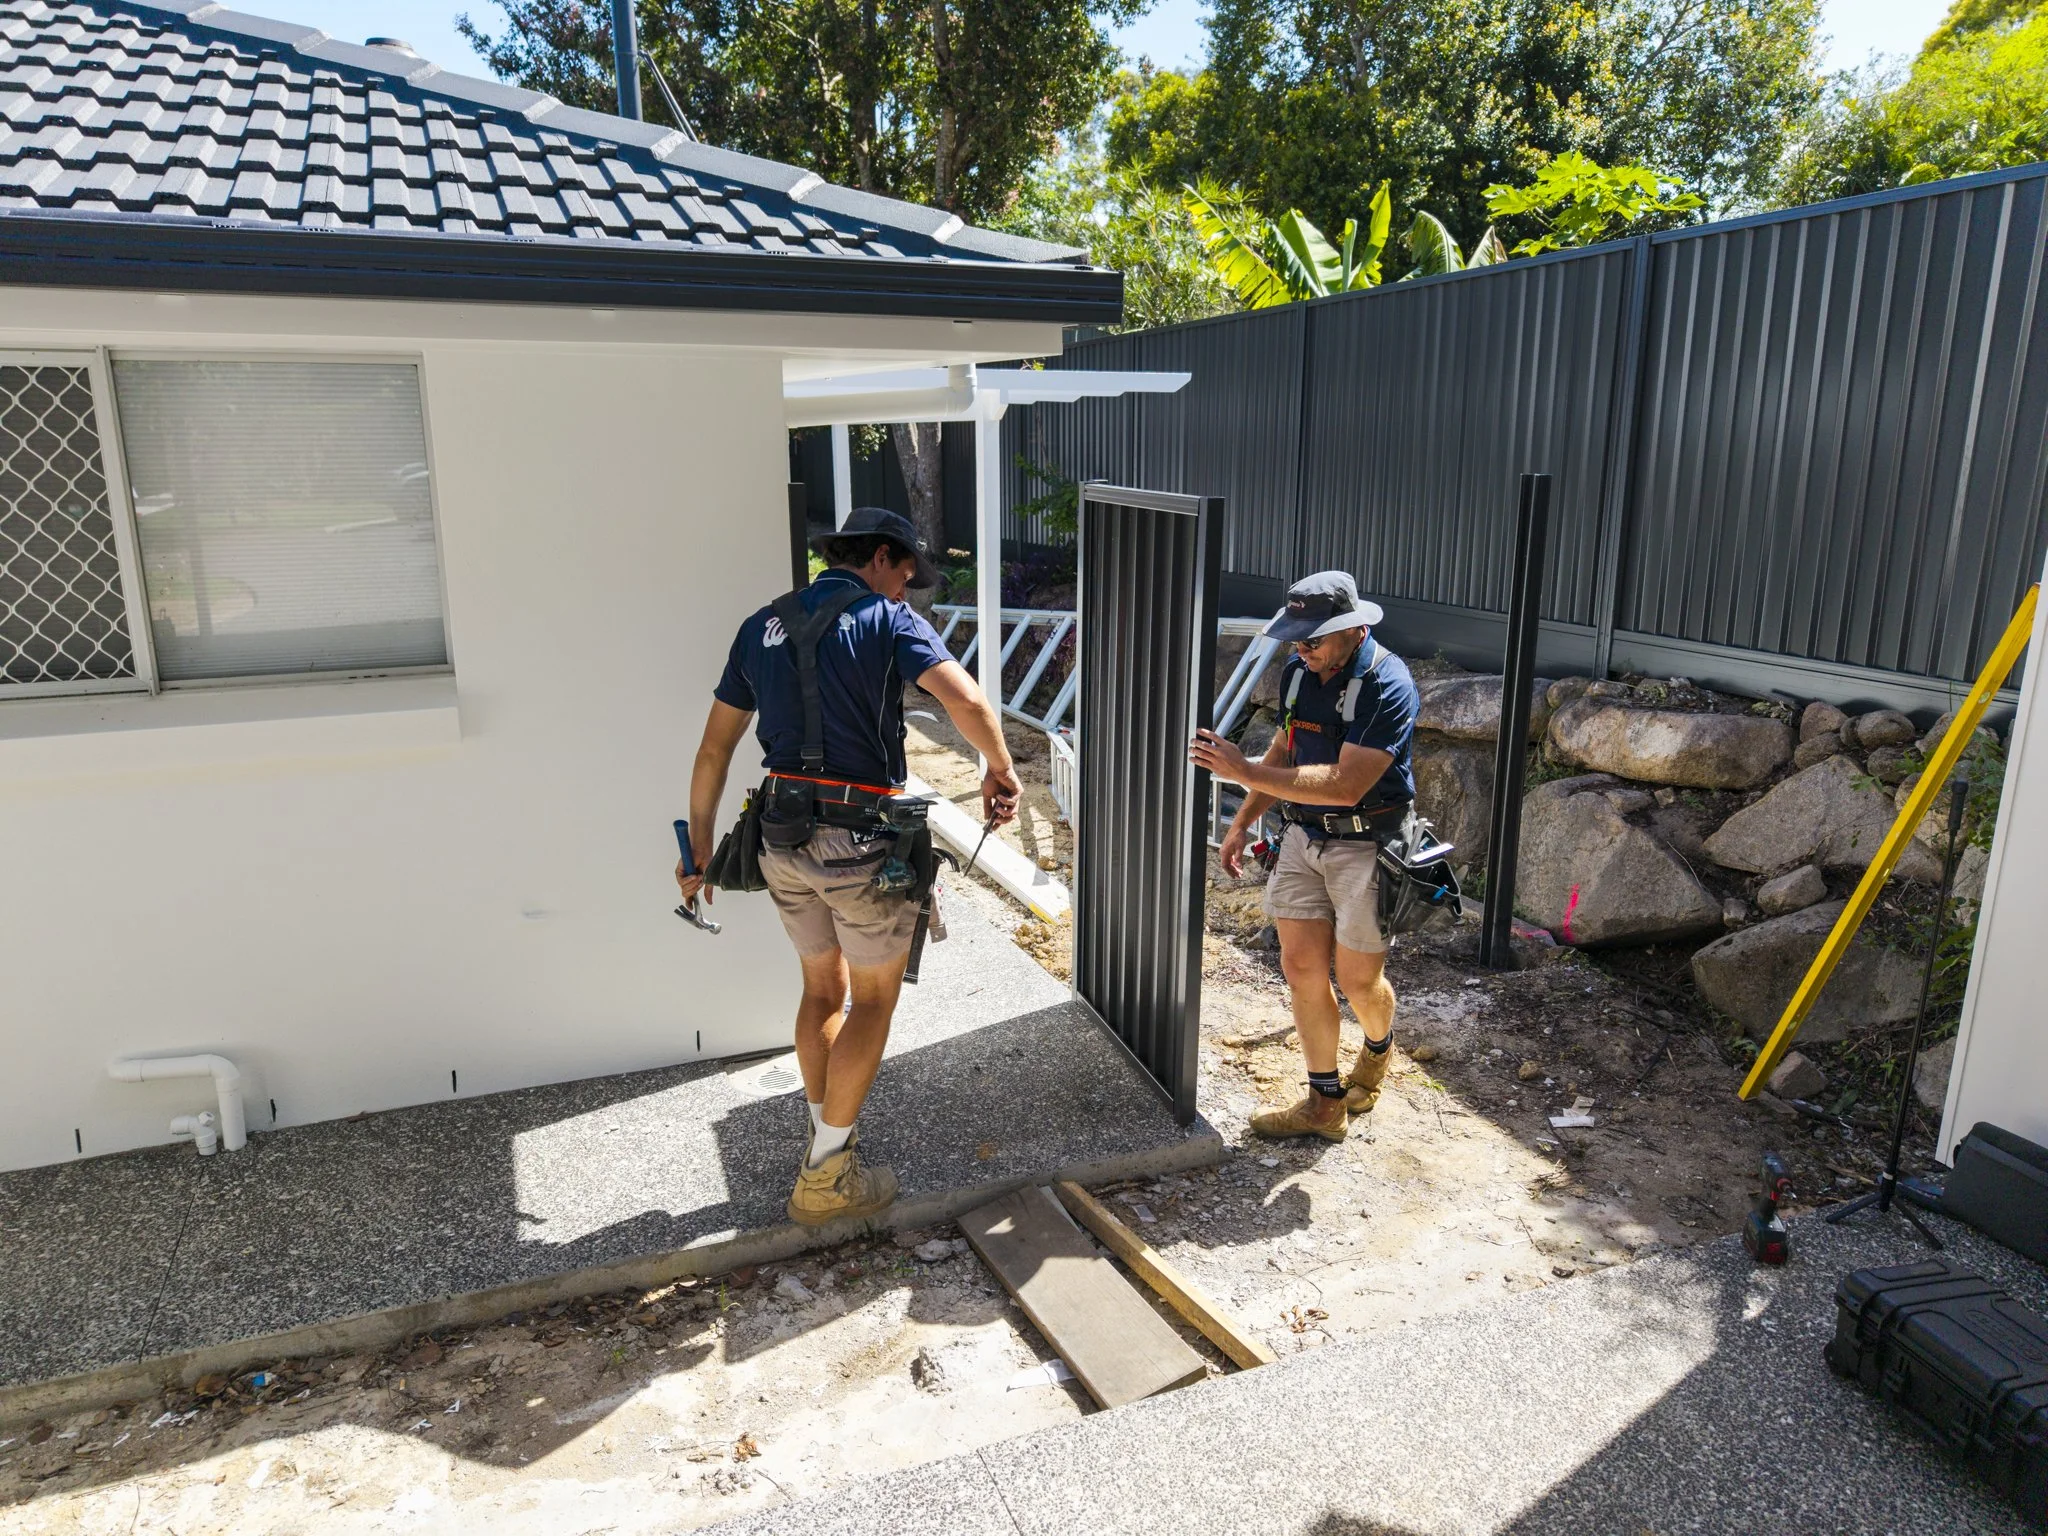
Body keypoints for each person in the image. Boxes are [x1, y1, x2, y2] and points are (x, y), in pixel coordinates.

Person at [677, 507, 1020, 1223]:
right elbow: (967, 698)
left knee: (820, 991)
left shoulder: (761, 625)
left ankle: (826, 1137)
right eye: (905, 575)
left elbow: (713, 750)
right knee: (871, 1001)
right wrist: (1000, 769)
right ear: (884, 557)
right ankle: (827, 1178)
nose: (905, 590)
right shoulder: (885, 619)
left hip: (779, 835)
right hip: (859, 840)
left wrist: (702, 849)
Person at [1189, 571, 1417, 1143]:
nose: (1301, 650)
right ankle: (1324, 1102)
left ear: (1354, 629)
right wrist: (1243, 818)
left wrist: (1241, 770)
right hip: (1300, 838)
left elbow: (1346, 784)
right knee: (1301, 968)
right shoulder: (1299, 673)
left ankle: (1378, 1047)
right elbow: (1286, 749)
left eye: (1312, 640)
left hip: (1366, 843)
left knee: (1359, 982)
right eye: (1295, 639)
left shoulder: (1388, 683)